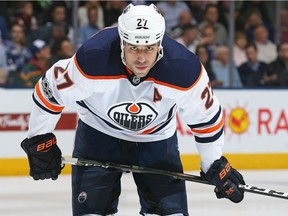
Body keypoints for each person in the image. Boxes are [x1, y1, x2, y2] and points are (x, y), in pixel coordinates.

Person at [20, 4, 245, 216]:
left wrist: (213, 164)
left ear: (160, 44)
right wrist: (39, 139)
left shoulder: (184, 70)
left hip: (156, 141)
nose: (141, 57)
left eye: (149, 48)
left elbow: (206, 119)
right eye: (133, 48)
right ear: (122, 43)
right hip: (97, 136)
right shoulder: (94, 57)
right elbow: (50, 90)